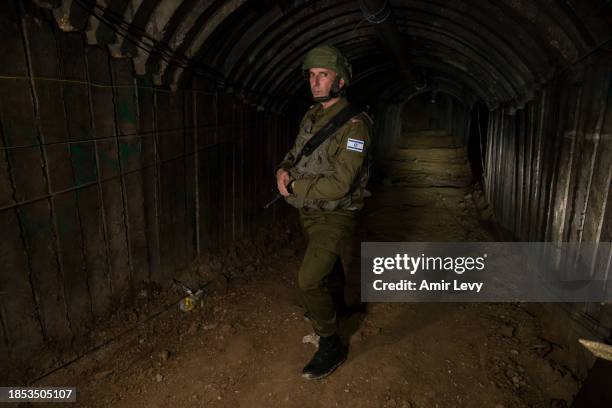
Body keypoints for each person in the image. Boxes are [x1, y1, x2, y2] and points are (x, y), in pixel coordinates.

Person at [274, 44, 373, 380]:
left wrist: (295, 187)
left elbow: (340, 186)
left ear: (341, 81)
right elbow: (295, 154)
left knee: (308, 279)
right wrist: (282, 170)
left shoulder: (355, 127)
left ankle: (331, 343)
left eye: (323, 75)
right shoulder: (311, 116)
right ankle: (341, 307)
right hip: (309, 210)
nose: (315, 82)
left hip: (335, 213)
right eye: (312, 76)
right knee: (326, 264)